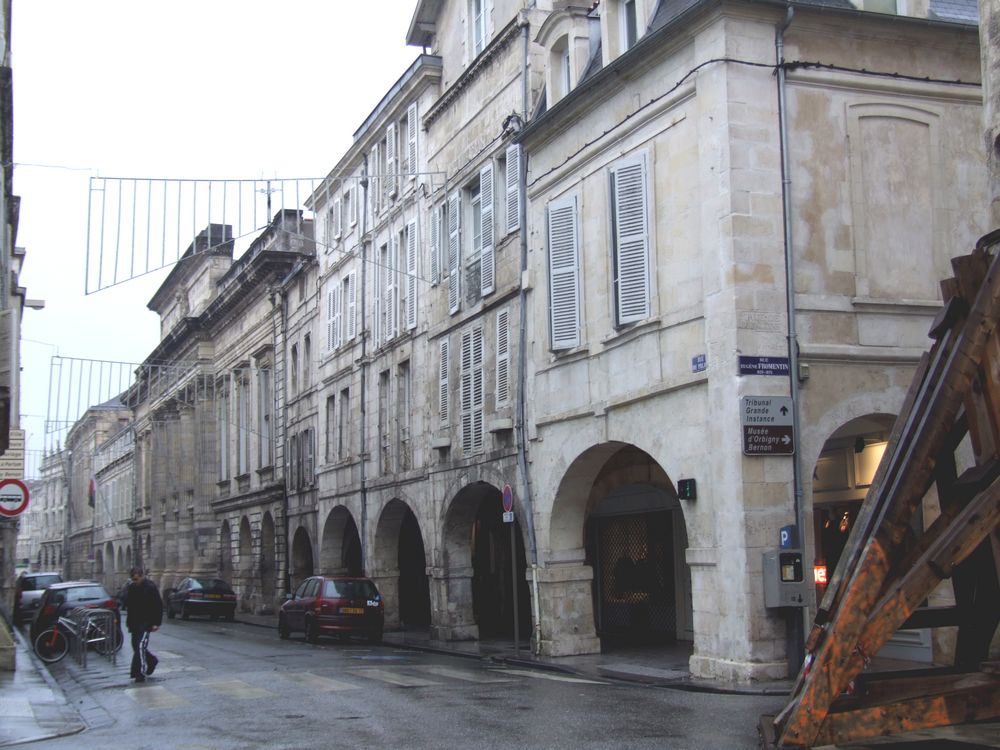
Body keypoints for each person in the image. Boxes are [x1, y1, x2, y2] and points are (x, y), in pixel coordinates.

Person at [120, 567, 163, 683]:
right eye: (133, 579)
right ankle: (152, 660)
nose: (135, 581)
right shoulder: (132, 588)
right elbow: (126, 603)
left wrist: (156, 623)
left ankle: (140, 672)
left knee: (140, 646)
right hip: (134, 621)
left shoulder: (150, 587)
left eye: (136, 579)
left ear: (141, 576)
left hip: (146, 622)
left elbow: (158, 605)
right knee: (136, 646)